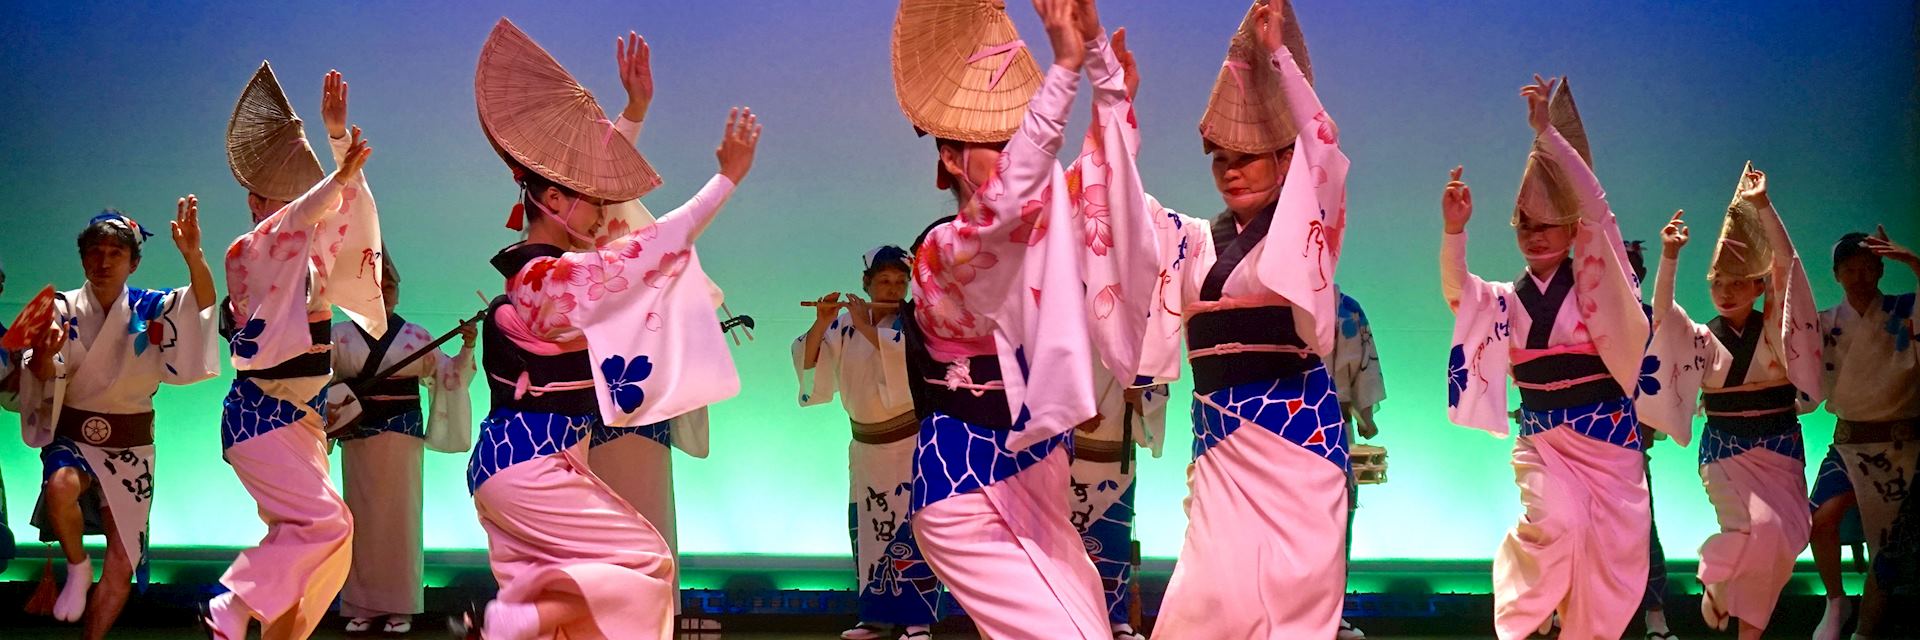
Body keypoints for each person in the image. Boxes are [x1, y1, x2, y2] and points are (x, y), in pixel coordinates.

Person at [455, 19, 760, 639]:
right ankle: (514, 618)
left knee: (585, 602)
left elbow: (602, 216)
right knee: (645, 564)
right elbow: (644, 247)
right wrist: (724, 181)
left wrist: (633, 113)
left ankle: (522, 619)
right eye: (585, 200)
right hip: (530, 468)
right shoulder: (548, 284)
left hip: (533, 463)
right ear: (550, 200)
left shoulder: (550, 272)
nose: (601, 212)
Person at [888, 0, 1157, 636]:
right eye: (1001, 144)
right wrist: (1063, 69)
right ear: (954, 158)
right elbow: (1003, 212)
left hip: (1037, 479)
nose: (1021, 158)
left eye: (1024, 140)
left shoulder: (1044, 225)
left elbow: (1103, 177)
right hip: (966, 486)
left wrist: (1101, 67)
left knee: (1084, 618)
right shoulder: (943, 248)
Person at [1129, 1, 1354, 636]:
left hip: (1298, 446)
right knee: (1201, 609)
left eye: (1248, 157)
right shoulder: (1194, 241)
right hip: (1222, 451)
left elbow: (1324, 153)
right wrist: (1117, 105)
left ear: (1284, 162)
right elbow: (1123, 204)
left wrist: (1279, 56)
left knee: (1291, 607)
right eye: (1220, 157)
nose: (1230, 169)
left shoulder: (1305, 237)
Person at [1438, 75, 1657, 640]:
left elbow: (1598, 208)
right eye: (1525, 227)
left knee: (1609, 559)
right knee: (1554, 522)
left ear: (1573, 225)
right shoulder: (1507, 301)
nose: (1534, 236)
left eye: (1548, 224)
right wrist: (1454, 232)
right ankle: (1520, 620)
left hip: (1608, 441)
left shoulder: (1602, 283)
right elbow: (1460, 297)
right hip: (1543, 440)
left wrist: (1546, 133)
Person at [201, 63, 384, 640]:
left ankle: (281, 629)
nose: (293, 209)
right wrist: (333, 177)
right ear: (256, 201)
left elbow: (345, 217)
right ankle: (234, 602)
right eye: (278, 199)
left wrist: (338, 141)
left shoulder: (304, 249)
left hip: (296, 420)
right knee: (324, 525)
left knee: (328, 541)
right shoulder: (250, 249)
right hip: (263, 414)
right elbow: (306, 215)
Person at [12, 206, 219, 639]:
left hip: (130, 443)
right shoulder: (60, 307)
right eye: (95, 252)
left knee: (123, 561)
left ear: (133, 262)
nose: (103, 262)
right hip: (73, 432)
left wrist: (194, 256)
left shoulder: (150, 307)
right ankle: (77, 564)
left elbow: (201, 304)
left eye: (114, 253)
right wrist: (46, 357)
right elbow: (43, 374)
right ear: (82, 257)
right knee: (62, 485)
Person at [1644, 166, 1821, 639]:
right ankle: (1740, 620)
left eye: (1738, 283)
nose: (1725, 292)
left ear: (1759, 287)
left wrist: (1763, 207)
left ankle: (1722, 589)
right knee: (1763, 532)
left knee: (1785, 540)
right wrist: (1669, 257)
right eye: (1718, 283)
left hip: (1780, 444)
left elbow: (1788, 266)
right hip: (1725, 452)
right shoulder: (1702, 338)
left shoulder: (1774, 332)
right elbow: (1664, 317)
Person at [795, 246, 942, 640]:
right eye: (883, 281)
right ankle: (874, 616)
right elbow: (809, 362)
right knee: (869, 530)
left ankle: (917, 620)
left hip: (909, 444)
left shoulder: (918, 323)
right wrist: (822, 322)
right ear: (866, 283)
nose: (892, 289)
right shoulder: (845, 323)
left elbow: (911, 361)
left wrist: (866, 327)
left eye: (899, 282)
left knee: (915, 530)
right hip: (865, 446)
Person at [327, 254, 475, 634]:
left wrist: (467, 350)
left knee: (401, 520)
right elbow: (321, 383)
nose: (386, 291)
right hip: (357, 433)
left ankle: (401, 607)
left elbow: (447, 374)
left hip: (402, 434)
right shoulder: (339, 335)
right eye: (378, 284)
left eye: (391, 285)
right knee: (359, 519)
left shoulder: (416, 335)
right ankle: (359, 604)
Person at [1812, 226, 1920, 638]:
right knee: (1820, 518)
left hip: (1901, 442)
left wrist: (1914, 264)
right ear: (1837, 275)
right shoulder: (1825, 322)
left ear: (1879, 270)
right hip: (1851, 441)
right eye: (1850, 269)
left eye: (1867, 268)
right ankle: (1835, 599)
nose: (1859, 277)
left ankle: (1866, 630)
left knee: (1887, 543)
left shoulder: (1905, 310)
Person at [1330, 287, 1384, 640]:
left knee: (1335, 519)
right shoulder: (1269, 302)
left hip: (1332, 420)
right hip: (1277, 420)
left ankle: (1332, 612)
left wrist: (1363, 416)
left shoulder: (1345, 307)